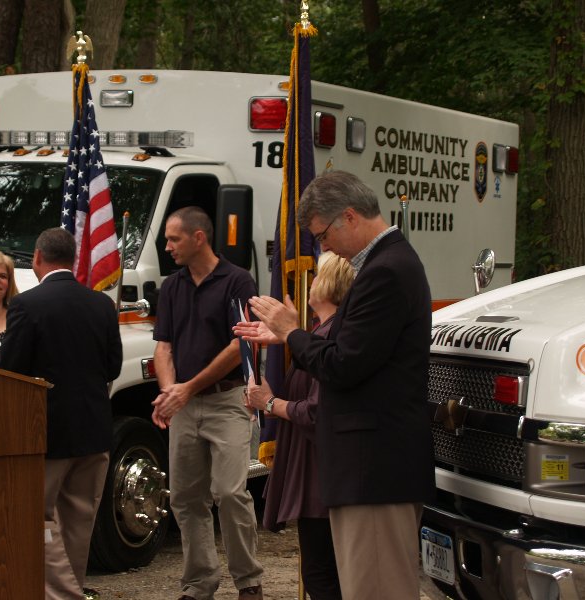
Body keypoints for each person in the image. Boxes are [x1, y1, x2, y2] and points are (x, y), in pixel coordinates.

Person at [235, 171, 436, 600]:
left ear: (349, 216)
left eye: (323, 236)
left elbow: (344, 365)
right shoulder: (384, 266)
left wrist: (292, 332)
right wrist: (291, 337)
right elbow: (353, 351)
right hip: (370, 469)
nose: (324, 248)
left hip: (375, 470)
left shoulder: (386, 271)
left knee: (376, 591)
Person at [0, 227, 122, 600]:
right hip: (94, 429)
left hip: (46, 431)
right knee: (79, 519)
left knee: (34, 516)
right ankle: (72, 585)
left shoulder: (26, 305)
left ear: (37, 257)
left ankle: (64, 594)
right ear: (74, 259)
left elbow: (11, 369)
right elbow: (113, 367)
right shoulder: (102, 304)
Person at [151, 206, 264, 600]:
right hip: (185, 406)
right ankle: (199, 584)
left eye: (174, 239)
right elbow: (163, 347)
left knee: (230, 492)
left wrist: (188, 388)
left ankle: (248, 581)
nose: (167, 247)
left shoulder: (238, 280)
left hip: (228, 401)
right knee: (185, 498)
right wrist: (170, 393)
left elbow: (240, 345)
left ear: (198, 237)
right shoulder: (171, 286)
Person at [244, 251, 352, 600]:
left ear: (331, 283)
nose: (310, 282)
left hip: (323, 475)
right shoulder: (322, 332)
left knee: (322, 576)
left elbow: (317, 412)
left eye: (317, 275)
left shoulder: (333, 335)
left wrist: (269, 403)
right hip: (320, 473)